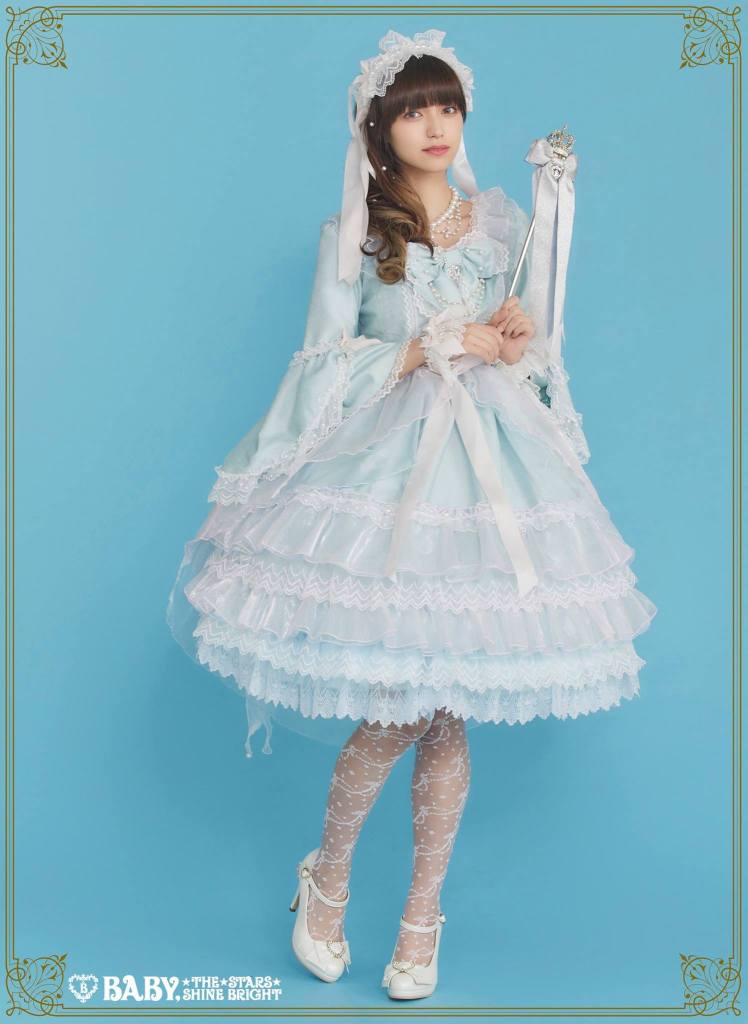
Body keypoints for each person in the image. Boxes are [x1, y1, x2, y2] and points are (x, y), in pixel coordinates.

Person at [166, 27, 657, 1001]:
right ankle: (329, 880)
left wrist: (511, 335)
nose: (435, 125)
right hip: (391, 473)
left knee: (446, 704)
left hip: (490, 478)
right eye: (413, 110)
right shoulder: (353, 232)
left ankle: (419, 918)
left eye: (447, 107)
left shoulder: (499, 223)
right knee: (402, 700)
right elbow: (322, 362)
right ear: (377, 127)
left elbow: (527, 355)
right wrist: (429, 342)